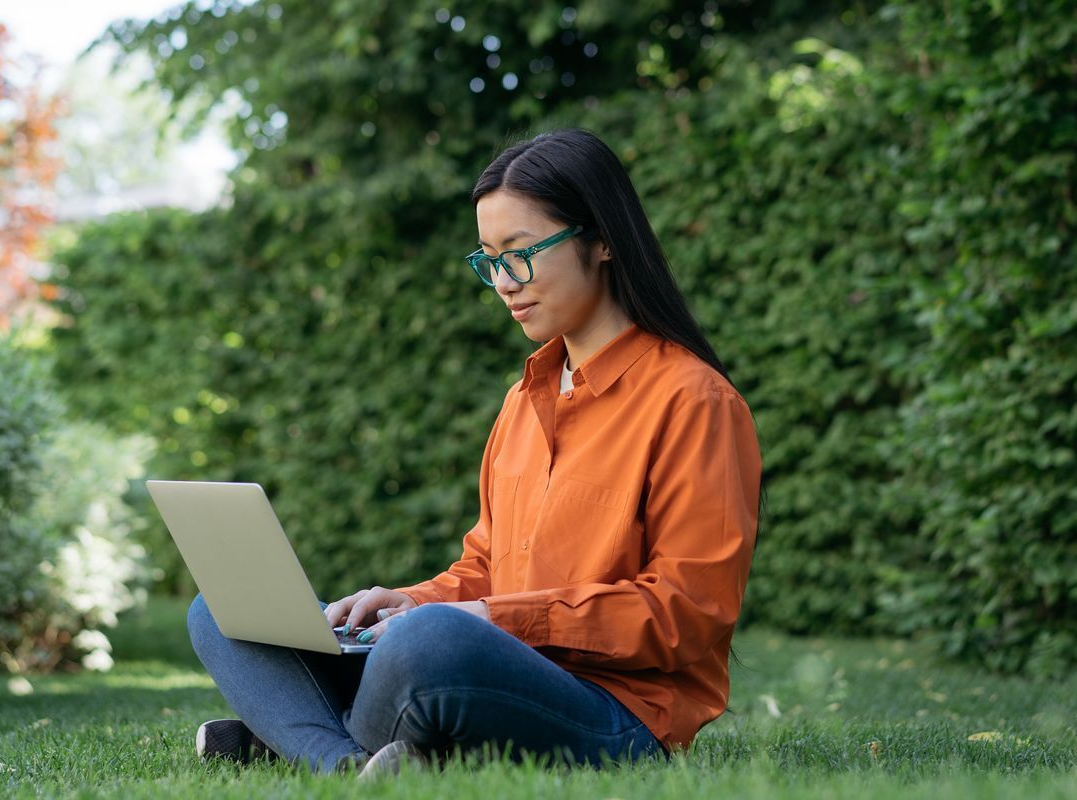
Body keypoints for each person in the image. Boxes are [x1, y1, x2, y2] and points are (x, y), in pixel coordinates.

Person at [186, 128, 762, 778]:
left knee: (430, 642)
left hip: (614, 715)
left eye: (521, 253)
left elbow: (689, 613)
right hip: (484, 668)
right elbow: (487, 566)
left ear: (601, 240)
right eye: (488, 259)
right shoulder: (525, 398)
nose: (503, 283)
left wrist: (483, 619)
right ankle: (350, 761)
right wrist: (409, 599)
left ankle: (309, 740)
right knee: (225, 611)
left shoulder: (694, 402)